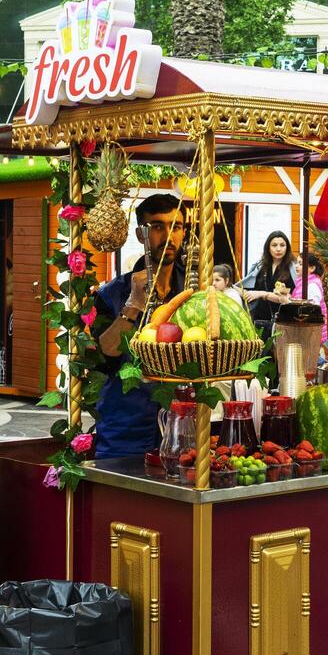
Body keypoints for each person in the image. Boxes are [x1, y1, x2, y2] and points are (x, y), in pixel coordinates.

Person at [91, 194, 188, 460]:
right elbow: (104, 355)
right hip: (125, 429)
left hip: (181, 426)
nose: (168, 236)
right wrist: (133, 305)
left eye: (175, 226)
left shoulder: (193, 295)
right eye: (157, 226)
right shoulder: (112, 294)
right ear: (140, 233)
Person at [242, 231, 297, 339]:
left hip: (284, 322)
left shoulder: (293, 269)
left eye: (282, 245)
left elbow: (289, 299)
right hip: (259, 320)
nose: (278, 249)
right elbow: (248, 290)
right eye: (274, 245)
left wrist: (262, 294)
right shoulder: (260, 267)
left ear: (287, 247)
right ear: (268, 247)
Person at [299, 252, 328, 342]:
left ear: (312, 268)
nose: (296, 266)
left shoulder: (312, 285)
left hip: (311, 333)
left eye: (300, 264)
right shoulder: (303, 283)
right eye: (297, 263)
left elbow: (313, 309)